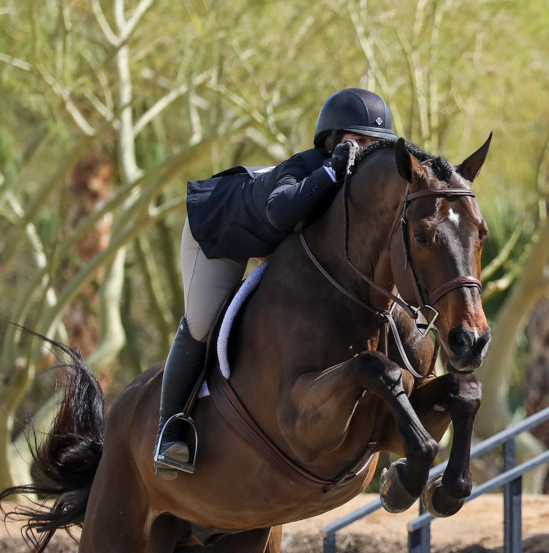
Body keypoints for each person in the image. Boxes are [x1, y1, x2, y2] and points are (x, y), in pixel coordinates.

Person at [154, 88, 397, 478]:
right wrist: (331, 170)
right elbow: (280, 212)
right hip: (220, 233)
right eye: (360, 140)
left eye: (376, 144)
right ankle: (170, 429)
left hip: (270, 243)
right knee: (203, 320)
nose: (368, 150)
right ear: (332, 141)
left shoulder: (358, 188)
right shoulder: (307, 167)